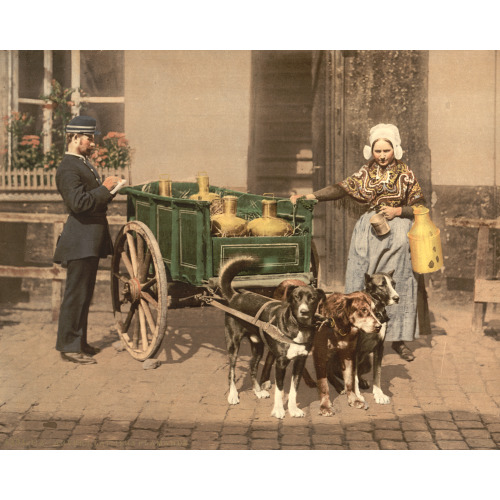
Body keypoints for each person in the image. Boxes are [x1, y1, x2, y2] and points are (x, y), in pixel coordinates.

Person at [291, 123, 426, 361]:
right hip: (369, 231)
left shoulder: (406, 174)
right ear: (371, 151)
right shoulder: (365, 174)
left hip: (398, 236)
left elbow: (420, 206)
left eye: (387, 150)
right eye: (378, 151)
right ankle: (361, 335)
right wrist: (311, 195)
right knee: (363, 279)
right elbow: (340, 188)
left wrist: (397, 211)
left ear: (395, 149)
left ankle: (398, 339)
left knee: (397, 284)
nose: (382, 156)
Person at [54, 115, 122, 364]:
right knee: (76, 294)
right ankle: (69, 347)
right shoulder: (68, 167)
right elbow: (79, 203)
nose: (92, 143)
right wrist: (104, 188)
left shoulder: (82, 163)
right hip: (80, 240)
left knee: (84, 294)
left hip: (89, 240)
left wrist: (110, 190)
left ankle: (79, 342)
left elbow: (92, 200)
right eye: (88, 138)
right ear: (73, 138)